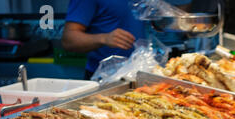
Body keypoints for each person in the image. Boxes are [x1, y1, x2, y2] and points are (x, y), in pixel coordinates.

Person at [62, 0, 191, 80]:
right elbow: (69, 39)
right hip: (104, 79)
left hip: (142, 75)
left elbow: (171, 14)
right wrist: (104, 38)